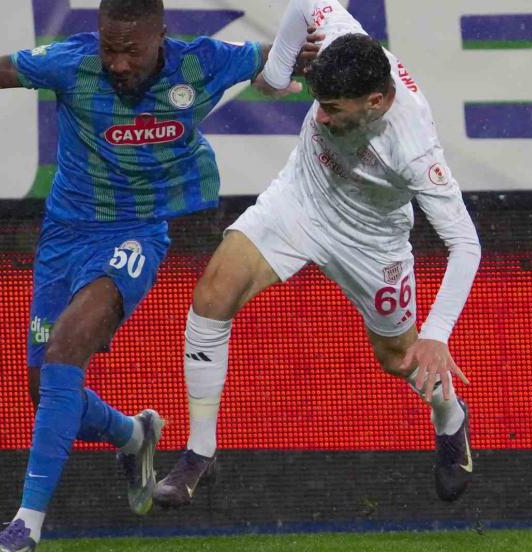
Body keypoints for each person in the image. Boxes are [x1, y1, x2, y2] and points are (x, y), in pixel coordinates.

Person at [0, 1, 312, 549]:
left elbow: (281, 56)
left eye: (131, 50)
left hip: (136, 234)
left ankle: (25, 527)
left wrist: (320, 58)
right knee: (45, 389)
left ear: (161, 36)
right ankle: (133, 434)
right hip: (64, 237)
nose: (118, 63)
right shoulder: (72, 63)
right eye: (109, 48)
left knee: (65, 350)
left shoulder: (204, 62)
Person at [153, 0, 481, 509]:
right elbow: (306, 3)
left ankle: (450, 416)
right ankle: (201, 450)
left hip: (371, 238)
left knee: (399, 358)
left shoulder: (415, 149)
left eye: (333, 108)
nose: (320, 116)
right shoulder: (340, 37)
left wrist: (437, 334)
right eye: (318, 102)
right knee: (212, 295)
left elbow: (466, 244)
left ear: (375, 101)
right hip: (301, 196)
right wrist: (278, 71)